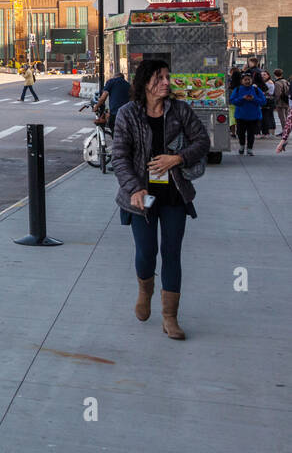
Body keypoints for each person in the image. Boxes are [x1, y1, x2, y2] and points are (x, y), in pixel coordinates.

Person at [111, 58, 210, 340]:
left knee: (171, 253)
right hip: (140, 198)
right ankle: (145, 290)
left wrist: (177, 158)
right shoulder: (127, 114)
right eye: (160, 77)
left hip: (173, 195)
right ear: (145, 83)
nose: (167, 82)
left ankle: (170, 318)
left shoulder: (179, 110)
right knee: (146, 253)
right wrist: (134, 188)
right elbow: (119, 157)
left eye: (168, 77)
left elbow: (202, 141)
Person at [230, 73, 265, 155]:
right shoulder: (237, 89)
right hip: (240, 116)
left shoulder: (256, 90)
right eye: (245, 79)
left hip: (253, 116)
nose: (247, 81)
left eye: (249, 79)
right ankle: (242, 145)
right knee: (240, 133)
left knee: (251, 134)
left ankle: (249, 148)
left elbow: (263, 101)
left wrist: (254, 99)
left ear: (252, 80)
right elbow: (233, 101)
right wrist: (242, 98)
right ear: (241, 81)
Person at [95, 69, 132, 136]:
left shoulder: (111, 82)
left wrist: (96, 106)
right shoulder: (128, 84)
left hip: (115, 114)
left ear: (115, 77)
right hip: (127, 114)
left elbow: (103, 98)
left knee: (114, 131)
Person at [273, 68, 289, 136]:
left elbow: (277, 94)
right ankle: (286, 131)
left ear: (274, 74)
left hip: (280, 103)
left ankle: (284, 132)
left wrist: (275, 103)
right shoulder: (286, 81)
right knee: (286, 117)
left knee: (282, 118)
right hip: (286, 101)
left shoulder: (277, 83)